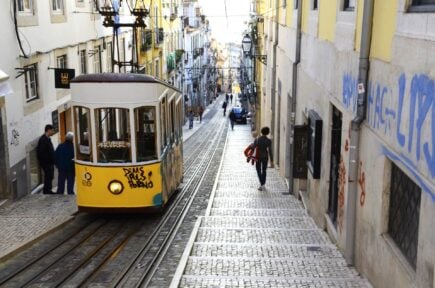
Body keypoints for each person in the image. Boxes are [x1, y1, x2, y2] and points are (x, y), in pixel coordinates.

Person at [37, 124, 56, 194]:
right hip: (46, 163)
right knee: (48, 177)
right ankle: (47, 191)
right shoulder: (43, 140)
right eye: (52, 130)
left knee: (50, 176)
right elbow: (41, 153)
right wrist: (47, 162)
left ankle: (49, 190)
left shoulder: (48, 139)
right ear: (48, 130)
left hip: (50, 163)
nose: (53, 132)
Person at [255, 127, 274, 191]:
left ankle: (262, 184)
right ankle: (263, 184)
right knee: (264, 170)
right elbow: (270, 151)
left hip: (258, 157)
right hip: (265, 157)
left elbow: (253, 147)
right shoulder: (268, 141)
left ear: (261, 132)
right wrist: (271, 160)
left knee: (258, 170)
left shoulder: (257, 139)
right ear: (268, 133)